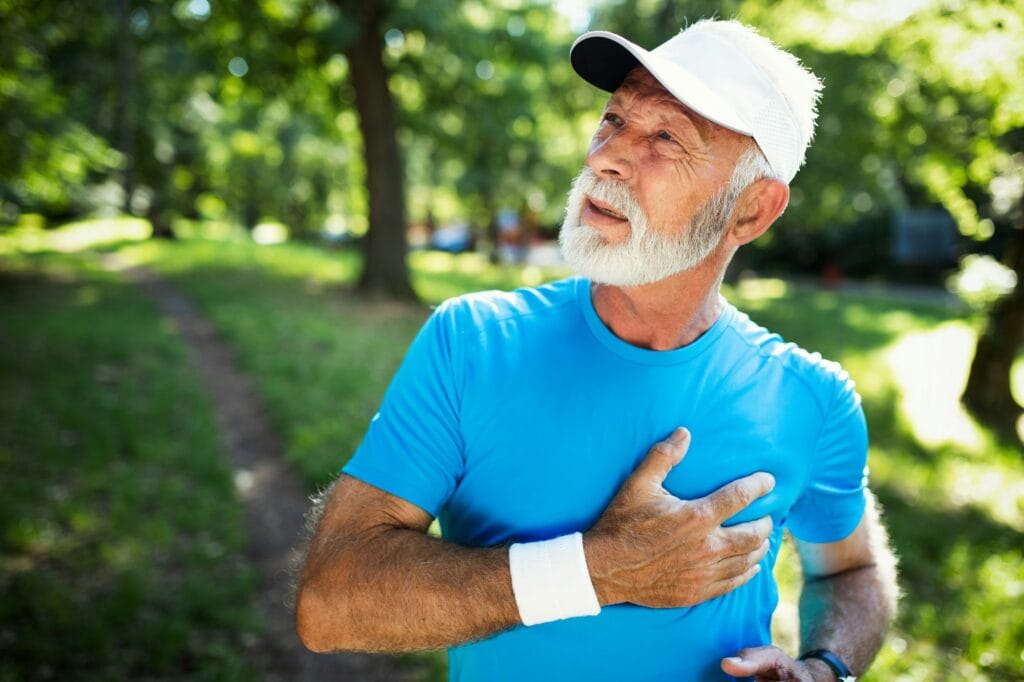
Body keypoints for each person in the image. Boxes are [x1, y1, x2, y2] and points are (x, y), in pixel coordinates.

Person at [296, 19, 898, 682]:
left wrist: (824, 668)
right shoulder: (473, 343)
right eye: (614, 118)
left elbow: (852, 568)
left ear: (752, 211)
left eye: (666, 136)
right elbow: (332, 602)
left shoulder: (811, 398)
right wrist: (595, 571)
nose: (605, 157)